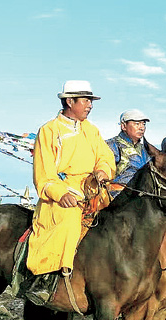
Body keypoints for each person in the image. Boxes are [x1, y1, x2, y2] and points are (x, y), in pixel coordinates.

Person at [22, 80, 116, 305]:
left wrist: (103, 170)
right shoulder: (49, 130)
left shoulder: (91, 130)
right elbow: (44, 174)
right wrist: (59, 193)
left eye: (90, 101)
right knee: (69, 222)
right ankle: (45, 279)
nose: (90, 105)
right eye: (85, 100)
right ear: (69, 101)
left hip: (93, 191)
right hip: (63, 194)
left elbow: (105, 157)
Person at [106, 109, 151, 197]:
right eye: (137, 124)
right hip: (116, 197)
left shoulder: (146, 150)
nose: (142, 128)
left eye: (143, 124)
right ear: (123, 126)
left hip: (143, 197)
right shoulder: (111, 146)